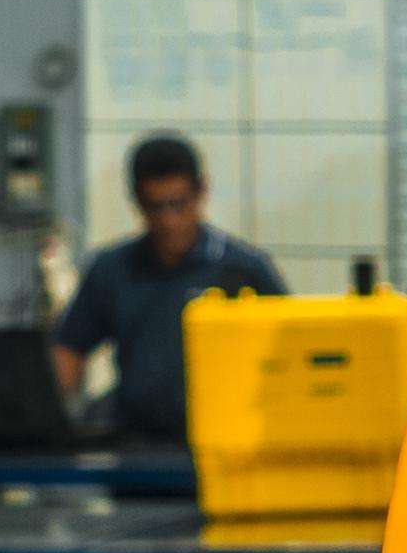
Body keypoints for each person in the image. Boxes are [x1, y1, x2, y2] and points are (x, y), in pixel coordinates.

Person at [52, 132, 286, 443]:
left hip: (224, 444)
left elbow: (287, 354)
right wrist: (43, 422)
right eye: (155, 207)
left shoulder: (243, 269)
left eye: (178, 205)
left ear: (201, 192)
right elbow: (70, 349)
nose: (168, 222)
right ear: (137, 201)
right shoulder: (111, 269)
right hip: (135, 445)